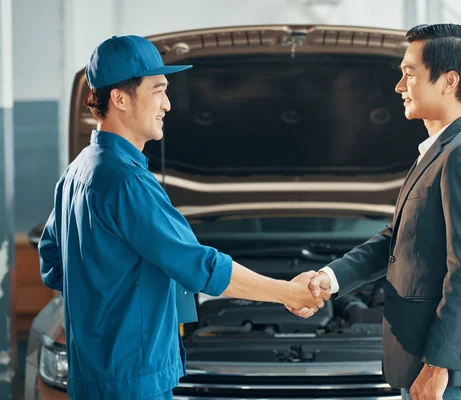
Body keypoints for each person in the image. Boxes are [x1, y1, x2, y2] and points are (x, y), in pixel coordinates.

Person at [38, 35, 325, 400]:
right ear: (120, 99)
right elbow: (199, 266)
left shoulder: (78, 173)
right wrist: (289, 291)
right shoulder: (127, 182)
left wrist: (104, 301)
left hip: (93, 375)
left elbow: (52, 264)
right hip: (133, 382)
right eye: (158, 91)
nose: (168, 104)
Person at [287, 24, 461, 400]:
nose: (399, 87)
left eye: (409, 74)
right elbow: (396, 240)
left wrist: (438, 367)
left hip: (446, 376)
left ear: (448, 81)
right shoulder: (442, 149)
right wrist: (331, 278)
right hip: (423, 363)